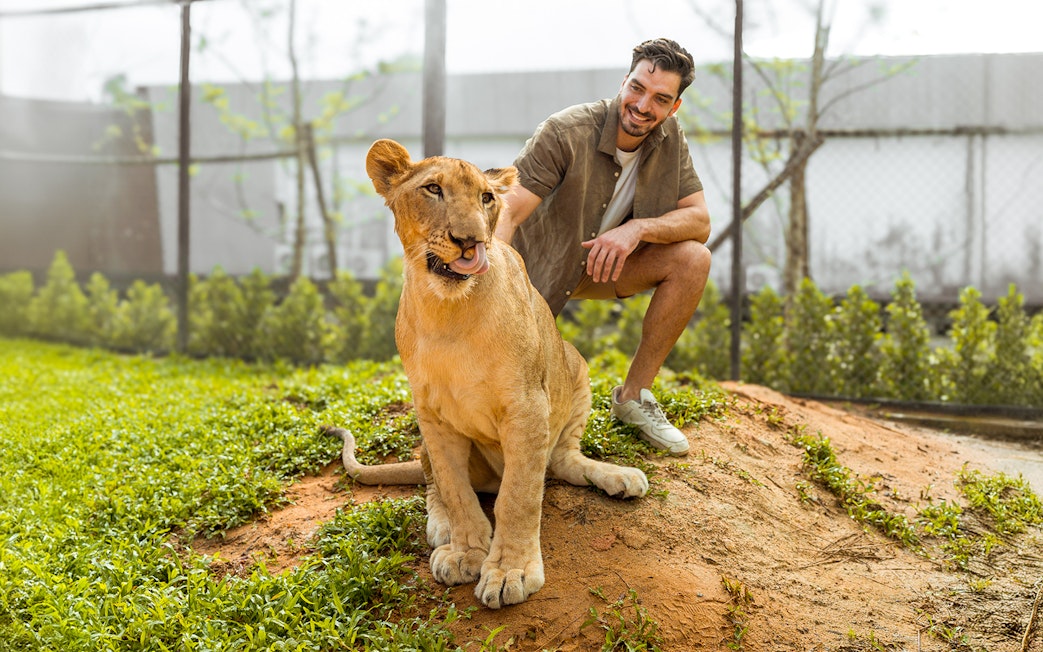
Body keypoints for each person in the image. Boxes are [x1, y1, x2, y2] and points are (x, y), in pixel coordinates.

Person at [494, 37, 711, 457]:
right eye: (637, 88)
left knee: (692, 259)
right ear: (624, 81)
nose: (643, 105)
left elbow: (699, 220)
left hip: (602, 266)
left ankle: (634, 397)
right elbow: (509, 209)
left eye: (660, 99)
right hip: (537, 270)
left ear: (673, 107)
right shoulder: (565, 130)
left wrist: (636, 231)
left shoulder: (670, 139)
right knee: (516, 394)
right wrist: (495, 279)